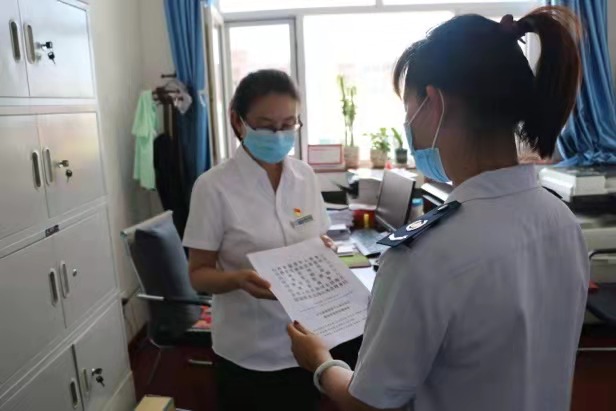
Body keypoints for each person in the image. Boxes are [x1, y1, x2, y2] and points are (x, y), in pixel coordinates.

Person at [288, 7, 589, 411]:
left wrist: (321, 363)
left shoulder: (424, 256)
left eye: (408, 108)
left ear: (433, 103)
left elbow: (369, 403)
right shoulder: (562, 221)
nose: (408, 125)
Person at [183, 69, 344, 411]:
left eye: (288, 124)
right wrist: (238, 280)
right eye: (267, 125)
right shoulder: (213, 187)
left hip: (307, 346)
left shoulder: (304, 176)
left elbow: (318, 236)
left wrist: (323, 248)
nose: (279, 134)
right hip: (249, 352)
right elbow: (198, 274)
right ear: (238, 121)